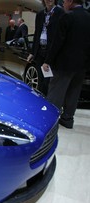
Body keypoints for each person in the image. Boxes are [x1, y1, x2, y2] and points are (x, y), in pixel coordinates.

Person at [42, 0, 90, 129]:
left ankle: (50, 121)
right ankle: (68, 119)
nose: (63, 4)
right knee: (73, 93)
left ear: (70, 1)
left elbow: (58, 42)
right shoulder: (88, 17)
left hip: (64, 64)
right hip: (82, 65)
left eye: (64, 1)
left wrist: (48, 61)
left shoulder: (68, 16)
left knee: (56, 92)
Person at [27, 0, 64, 95]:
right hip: (40, 51)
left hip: (52, 51)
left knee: (49, 81)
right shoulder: (40, 14)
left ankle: (49, 102)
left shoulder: (61, 13)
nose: (49, 0)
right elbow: (36, 34)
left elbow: (60, 36)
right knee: (41, 79)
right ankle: (41, 101)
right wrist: (32, 52)